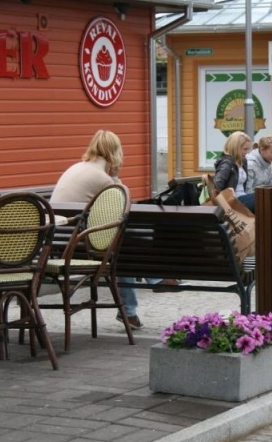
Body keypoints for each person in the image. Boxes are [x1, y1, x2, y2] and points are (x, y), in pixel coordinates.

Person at [50, 130, 177, 330]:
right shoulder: (102, 178)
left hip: (58, 241)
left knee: (120, 247)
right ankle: (153, 281)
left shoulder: (78, 168)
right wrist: (116, 175)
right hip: (77, 244)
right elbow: (121, 204)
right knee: (128, 241)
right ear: (115, 153)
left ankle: (131, 310)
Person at [213, 131, 254, 212]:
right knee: (262, 198)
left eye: (248, 149)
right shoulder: (227, 163)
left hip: (242, 197)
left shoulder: (243, 161)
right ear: (235, 148)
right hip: (232, 201)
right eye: (245, 149)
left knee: (267, 197)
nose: (247, 152)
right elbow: (216, 186)